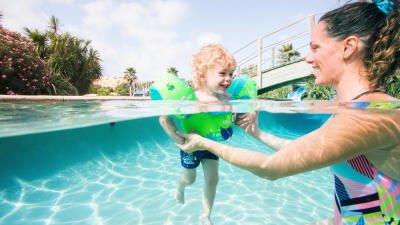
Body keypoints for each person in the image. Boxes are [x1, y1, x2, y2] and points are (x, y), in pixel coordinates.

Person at [176, 2, 400, 224]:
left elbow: (270, 167)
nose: (308, 58)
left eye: (315, 47)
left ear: (348, 47)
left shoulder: (371, 113)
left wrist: (202, 142)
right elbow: (297, 151)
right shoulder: (345, 106)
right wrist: (256, 133)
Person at [159, 44, 236, 225]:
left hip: (211, 145)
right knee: (190, 179)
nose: (228, 79)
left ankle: (205, 215)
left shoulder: (229, 99)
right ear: (202, 76)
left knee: (213, 179)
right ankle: (181, 187)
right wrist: (175, 136)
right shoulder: (190, 100)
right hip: (191, 147)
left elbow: (233, 117)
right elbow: (164, 118)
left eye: (231, 73)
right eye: (223, 73)